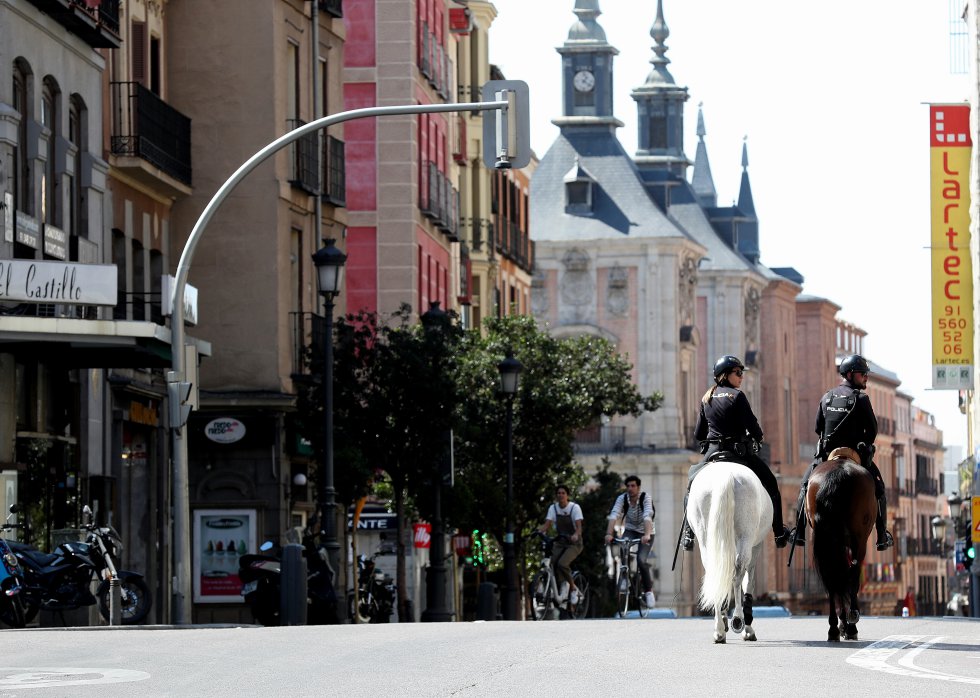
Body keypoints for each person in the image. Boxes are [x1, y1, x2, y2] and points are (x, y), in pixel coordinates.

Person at [680, 355, 791, 552]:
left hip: (713, 453)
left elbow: (699, 434)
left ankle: (688, 534)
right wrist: (757, 436)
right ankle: (779, 533)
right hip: (738, 452)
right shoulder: (737, 396)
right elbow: (753, 426)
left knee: (691, 485)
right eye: (738, 373)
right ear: (725, 375)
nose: (741, 377)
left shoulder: (707, 398)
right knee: (772, 483)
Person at [790, 354, 894, 550]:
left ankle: (799, 532)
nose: (866, 378)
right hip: (855, 455)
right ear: (850, 374)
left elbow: (817, 427)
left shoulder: (826, 397)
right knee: (879, 489)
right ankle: (882, 535)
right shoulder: (861, 399)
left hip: (826, 456)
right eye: (863, 374)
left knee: (805, 485)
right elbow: (872, 431)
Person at [604, 475, 656, 608]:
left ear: (638, 487)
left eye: (633, 486)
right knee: (623, 546)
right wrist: (609, 534)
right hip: (631, 530)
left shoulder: (645, 498)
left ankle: (649, 592)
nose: (630, 488)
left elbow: (647, 515)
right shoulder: (622, 499)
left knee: (641, 560)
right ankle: (624, 577)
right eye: (628, 486)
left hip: (647, 532)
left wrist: (647, 535)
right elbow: (614, 514)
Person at [538, 484, 584, 605]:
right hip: (560, 541)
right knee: (550, 562)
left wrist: (575, 535)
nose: (561, 495)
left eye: (563, 493)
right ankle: (558, 586)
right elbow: (547, 524)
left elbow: (579, 528)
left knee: (562, 563)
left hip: (574, 543)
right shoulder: (553, 508)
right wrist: (538, 531)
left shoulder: (574, 508)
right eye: (558, 493)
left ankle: (573, 588)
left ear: (567, 495)